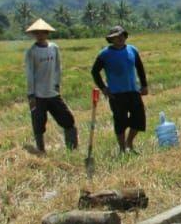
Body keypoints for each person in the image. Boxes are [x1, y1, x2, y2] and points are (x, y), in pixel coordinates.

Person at [90, 25, 150, 154]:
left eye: (122, 36)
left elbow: (140, 68)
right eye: (116, 37)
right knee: (120, 121)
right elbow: (95, 72)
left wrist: (144, 85)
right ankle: (122, 149)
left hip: (133, 91)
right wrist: (104, 88)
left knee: (139, 119)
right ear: (111, 40)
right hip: (116, 94)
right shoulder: (104, 54)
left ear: (125, 36)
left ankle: (129, 143)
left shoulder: (132, 50)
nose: (120, 39)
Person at [23, 19, 78, 154]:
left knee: (68, 120)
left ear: (47, 33)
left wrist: (57, 84)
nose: (40, 35)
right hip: (38, 95)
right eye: (37, 33)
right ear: (34, 34)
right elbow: (29, 74)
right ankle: (41, 150)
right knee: (38, 124)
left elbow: (58, 68)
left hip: (53, 93)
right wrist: (31, 94)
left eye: (43, 33)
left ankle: (72, 149)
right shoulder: (31, 52)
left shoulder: (54, 48)